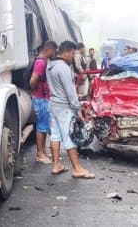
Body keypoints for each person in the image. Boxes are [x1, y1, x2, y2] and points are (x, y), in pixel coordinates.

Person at [46, 40, 95, 178]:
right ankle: (77, 169)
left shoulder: (50, 65)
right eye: (72, 53)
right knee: (70, 138)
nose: (73, 56)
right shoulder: (63, 67)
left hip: (54, 104)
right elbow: (70, 92)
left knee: (55, 136)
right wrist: (78, 109)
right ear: (66, 52)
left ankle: (56, 165)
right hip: (64, 107)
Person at [30, 41, 58, 163]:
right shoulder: (40, 62)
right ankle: (39, 153)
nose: (54, 54)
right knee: (41, 127)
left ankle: (43, 151)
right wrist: (36, 91)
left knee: (44, 126)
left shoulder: (44, 61)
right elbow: (33, 81)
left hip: (44, 98)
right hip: (41, 99)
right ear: (49, 50)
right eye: (54, 51)